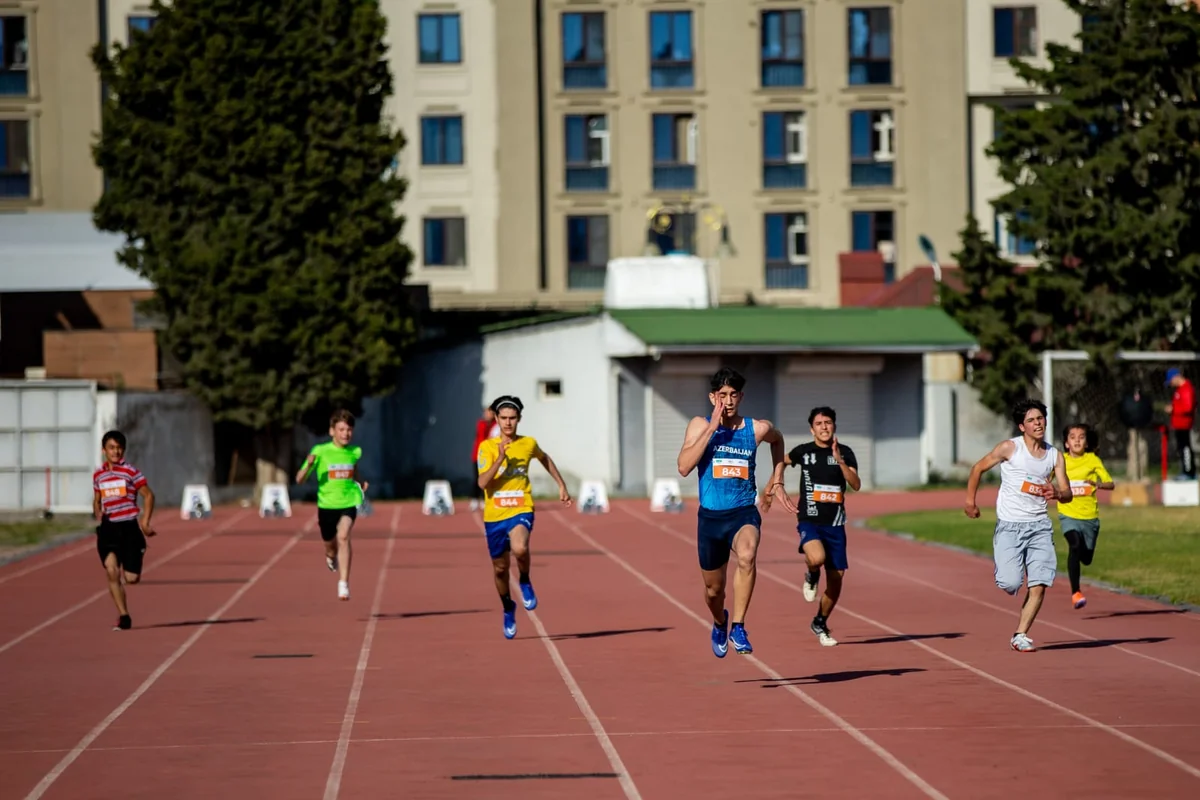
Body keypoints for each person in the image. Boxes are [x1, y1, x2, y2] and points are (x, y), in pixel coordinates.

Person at [677, 367, 795, 658]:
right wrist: (712, 428)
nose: (727, 401)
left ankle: (739, 627)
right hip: (710, 519)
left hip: (743, 513)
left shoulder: (756, 429)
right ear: (712, 397)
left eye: (733, 395)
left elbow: (778, 439)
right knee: (713, 592)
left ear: (741, 397)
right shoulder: (698, 425)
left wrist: (778, 480)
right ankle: (720, 622)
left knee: (747, 555)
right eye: (722, 395)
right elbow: (684, 467)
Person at [964, 399, 1073, 653]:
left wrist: (1057, 493)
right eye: (1031, 420)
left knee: (1040, 582)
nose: (1038, 424)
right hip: (1010, 526)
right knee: (1010, 583)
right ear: (1022, 426)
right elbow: (978, 468)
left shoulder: (1055, 456)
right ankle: (1006, 572)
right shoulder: (1009, 448)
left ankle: (1020, 635)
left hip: (1039, 527)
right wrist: (970, 501)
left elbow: (1067, 492)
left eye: (1040, 419)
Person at [476, 395, 573, 639]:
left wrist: (561, 485)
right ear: (497, 419)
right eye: (504, 418)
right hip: (495, 515)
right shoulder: (487, 447)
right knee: (500, 569)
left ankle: (525, 579)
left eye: (512, 418)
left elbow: (544, 458)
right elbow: (482, 483)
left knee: (520, 548)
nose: (508, 423)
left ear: (519, 419)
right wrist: (500, 458)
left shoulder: (528, 443)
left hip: (521, 507)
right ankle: (508, 606)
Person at [781, 406, 860, 647]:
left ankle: (820, 622)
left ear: (834, 426)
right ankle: (812, 574)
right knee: (816, 558)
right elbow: (781, 461)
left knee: (836, 580)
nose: (824, 427)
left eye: (828, 422)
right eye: (819, 423)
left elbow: (855, 484)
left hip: (835, 523)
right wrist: (775, 485)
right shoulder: (803, 451)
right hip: (810, 519)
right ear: (811, 429)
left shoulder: (845, 452)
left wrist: (840, 461)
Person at [296, 409, 367, 601]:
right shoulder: (320, 451)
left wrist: (361, 482)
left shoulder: (354, 452)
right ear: (332, 431)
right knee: (330, 546)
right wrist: (308, 465)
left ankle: (343, 583)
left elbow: (354, 470)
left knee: (343, 535)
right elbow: (299, 479)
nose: (346, 434)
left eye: (349, 430)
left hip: (348, 501)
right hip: (327, 505)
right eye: (341, 429)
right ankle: (330, 555)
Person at [92, 430, 156, 631]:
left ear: (124, 450)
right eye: (111, 448)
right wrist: (97, 511)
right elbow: (97, 499)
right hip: (109, 529)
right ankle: (124, 616)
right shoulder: (99, 475)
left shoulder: (131, 472)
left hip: (129, 528)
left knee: (131, 579)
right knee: (111, 571)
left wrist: (145, 522)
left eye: (119, 448)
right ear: (104, 450)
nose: (116, 451)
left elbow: (148, 496)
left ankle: (139, 548)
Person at [1058, 423, 1114, 610]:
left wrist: (1098, 484)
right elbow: (1046, 478)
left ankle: (1084, 550)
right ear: (1066, 443)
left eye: (1081, 437)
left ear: (1087, 442)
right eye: (1072, 437)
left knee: (1086, 558)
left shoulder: (1092, 460)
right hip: (1068, 514)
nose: (1077, 441)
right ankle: (1076, 592)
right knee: (1074, 545)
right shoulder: (1060, 460)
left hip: (1090, 518)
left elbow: (1110, 483)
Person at [1164, 368, 1195, 480]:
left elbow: (1188, 407)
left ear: (1176, 377)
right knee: (1181, 447)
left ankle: (1188, 472)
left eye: (1171, 381)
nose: (1171, 384)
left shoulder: (1186, 389)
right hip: (1179, 424)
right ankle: (1185, 471)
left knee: (1185, 448)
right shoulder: (1180, 390)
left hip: (1184, 424)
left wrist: (1173, 409)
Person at [470, 407, 497, 511]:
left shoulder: (495, 425)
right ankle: (474, 499)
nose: (488, 415)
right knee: (477, 477)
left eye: (490, 413)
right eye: (487, 413)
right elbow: (482, 436)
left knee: (488, 478)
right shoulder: (481, 423)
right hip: (478, 455)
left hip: (490, 456)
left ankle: (484, 498)